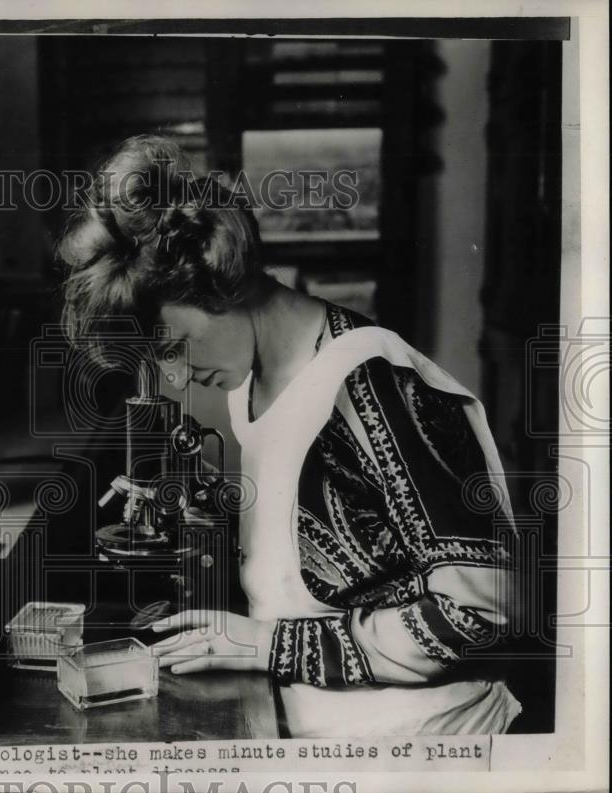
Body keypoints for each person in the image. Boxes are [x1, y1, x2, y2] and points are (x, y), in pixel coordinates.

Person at [57, 135, 522, 737]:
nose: (175, 378)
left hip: (424, 745)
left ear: (216, 282)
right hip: (314, 731)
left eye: (172, 347)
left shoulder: (371, 381)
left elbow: (480, 611)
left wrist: (269, 644)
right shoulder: (248, 387)